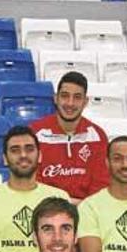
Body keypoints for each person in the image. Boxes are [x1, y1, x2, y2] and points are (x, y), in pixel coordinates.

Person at [29, 71, 109, 202]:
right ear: (55, 98)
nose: (70, 103)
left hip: (86, 214)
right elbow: (32, 183)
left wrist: (83, 210)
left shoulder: (98, 136)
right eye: (65, 96)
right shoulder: (35, 133)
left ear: (85, 102)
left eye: (77, 97)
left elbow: (101, 187)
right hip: (44, 211)